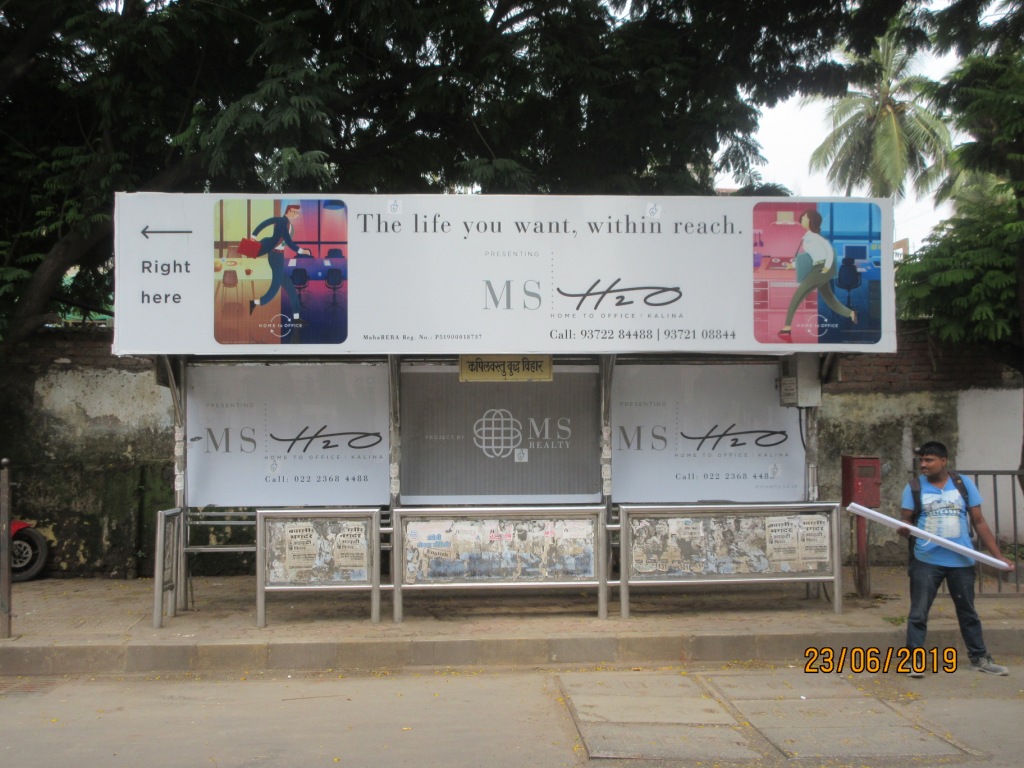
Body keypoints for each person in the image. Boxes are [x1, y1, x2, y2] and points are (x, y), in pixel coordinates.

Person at [898, 441, 1014, 677]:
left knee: (968, 611)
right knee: (919, 612)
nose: (924, 465)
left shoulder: (962, 484)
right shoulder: (914, 487)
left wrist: (998, 557)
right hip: (926, 560)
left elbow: (979, 522)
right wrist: (904, 528)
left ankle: (979, 657)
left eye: (929, 460)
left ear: (943, 461)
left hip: (961, 561)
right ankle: (913, 660)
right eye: (921, 460)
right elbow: (905, 520)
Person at [777, 208, 857, 339]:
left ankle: (787, 328)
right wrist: (793, 265)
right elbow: (810, 258)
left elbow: (829, 251)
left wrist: (826, 268)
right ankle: (850, 313)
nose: (802, 219)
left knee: (798, 295)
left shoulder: (815, 237)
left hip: (820, 269)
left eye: (804, 217)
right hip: (818, 267)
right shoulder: (808, 237)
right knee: (829, 298)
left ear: (811, 221)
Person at [248, 204, 309, 321]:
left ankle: (296, 317)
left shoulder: (287, 224)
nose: (296, 215)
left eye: (297, 213)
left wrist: (254, 235)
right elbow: (289, 241)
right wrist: (302, 250)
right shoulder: (282, 222)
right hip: (275, 256)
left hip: (279, 256)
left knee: (290, 287)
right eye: (295, 212)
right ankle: (256, 302)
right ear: (289, 211)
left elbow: (265, 223)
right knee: (275, 287)